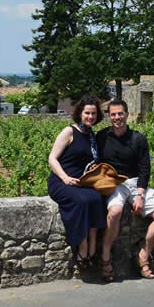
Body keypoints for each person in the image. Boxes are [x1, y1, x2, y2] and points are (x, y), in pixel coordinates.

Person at [97, 98, 154, 281]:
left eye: (120, 114)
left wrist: (140, 195)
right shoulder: (102, 137)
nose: (117, 117)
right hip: (114, 183)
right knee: (115, 212)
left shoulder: (138, 139)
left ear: (127, 115)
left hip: (135, 183)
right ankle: (105, 258)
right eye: (113, 114)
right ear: (109, 117)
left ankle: (143, 255)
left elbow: (145, 169)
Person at [47, 96, 107, 271]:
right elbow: (52, 158)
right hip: (61, 181)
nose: (90, 116)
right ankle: (82, 246)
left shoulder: (92, 135)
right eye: (87, 113)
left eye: (93, 113)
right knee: (82, 201)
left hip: (81, 183)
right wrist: (65, 178)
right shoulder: (69, 132)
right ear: (80, 113)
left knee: (97, 199)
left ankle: (92, 243)